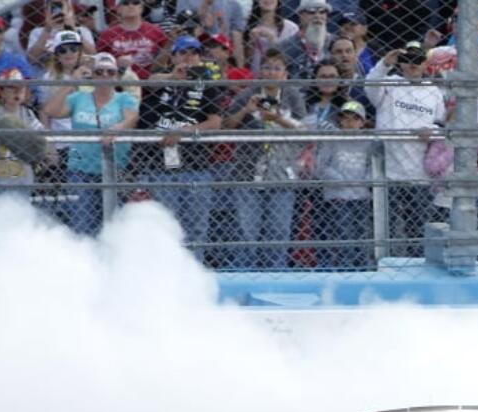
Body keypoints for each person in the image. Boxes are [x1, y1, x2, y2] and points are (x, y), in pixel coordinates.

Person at [224, 48, 309, 268]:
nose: (271, 72)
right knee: (246, 234)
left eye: (277, 68)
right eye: (267, 66)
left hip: (281, 174)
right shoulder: (247, 94)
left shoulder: (293, 96)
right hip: (247, 173)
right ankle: (245, 278)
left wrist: (278, 119)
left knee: (278, 233)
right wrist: (246, 110)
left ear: (285, 74)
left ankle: (276, 278)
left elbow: (305, 131)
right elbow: (227, 127)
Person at [43, 52, 140, 234]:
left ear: (116, 76)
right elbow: (51, 110)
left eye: (110, 72)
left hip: (114, 169)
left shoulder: (124, 98)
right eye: (99, 72)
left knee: (113, 227)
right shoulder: (78, 97)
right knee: (83, 224)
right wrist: (71, 82)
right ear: (92, 75)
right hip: (81, 169)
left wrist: (117, 128)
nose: (104, 76)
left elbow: (132, 118)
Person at [138, 35, 222, 245]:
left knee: (195, 228)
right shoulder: (163, 78)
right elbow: (149, 83)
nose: (189, 57)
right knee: (164, 227)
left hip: (195, 165)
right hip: (160, 166)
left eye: (195, 53)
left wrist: (184, 132)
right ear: (173, 56)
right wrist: (172, 77)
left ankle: (193, 273)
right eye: (183, 52)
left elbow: (215, 122)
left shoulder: (207, 84)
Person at [365, 41, 446, 258]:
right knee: (384, 229)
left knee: (417, 229)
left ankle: (418, 267)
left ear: (424, 64)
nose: (412, 65)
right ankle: (383, 265)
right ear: (401, 63)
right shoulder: (389, 83)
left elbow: (441, 126)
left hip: (419, 173)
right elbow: (370, 87)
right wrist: (384, 63)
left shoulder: (433, 91)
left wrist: (432, 132)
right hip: (387, 172)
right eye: (408, 60)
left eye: (418, 60)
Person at [313, 100, 375, 268]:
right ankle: (345, 267)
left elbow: (372, 166)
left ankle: (361, 267)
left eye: (355, 119)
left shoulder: (368, 142)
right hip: (338, 196)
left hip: (361, 196)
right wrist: (340, 180)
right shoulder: (332, 140)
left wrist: (365, 181)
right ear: (340, 121)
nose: (350, 123)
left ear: (362, 122)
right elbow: (321, 166)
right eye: (345, 118)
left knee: (362, 235)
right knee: (343, 234)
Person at [0, 68, 53, 201]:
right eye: (11, 88)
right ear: (1, 91)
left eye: (21, 88)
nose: (17, 92)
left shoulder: (27, 114)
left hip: (23, 176)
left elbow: (41, 134)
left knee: (22, 208)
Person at [96, 0, 168, 77]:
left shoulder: (155, 30)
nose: (131, 6)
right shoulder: (108, 34)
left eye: (136, 2)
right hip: (118, 80)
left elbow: (168, 56)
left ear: (141, 7)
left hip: (150, 80)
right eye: (125, 3)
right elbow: (99, 60)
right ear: (118, 9)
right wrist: (115, 63)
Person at [280, 0, 333, 82]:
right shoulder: (284, 47)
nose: (317, 16)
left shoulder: (336, 43)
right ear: (300, 15)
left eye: (322, 12)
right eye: (311, 12)